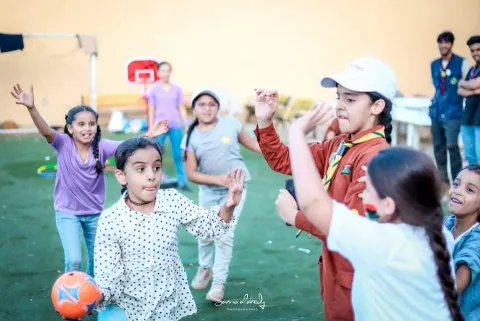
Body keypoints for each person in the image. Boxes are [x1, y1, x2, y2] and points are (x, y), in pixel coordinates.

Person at [280, 108, 461, 320]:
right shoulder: (438, 234)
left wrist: (296, 132)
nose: (362, 198)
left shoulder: (384, 244)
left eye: (367, 190)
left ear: (388, 205)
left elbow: (313, 203)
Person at [254, 57, 394, 320]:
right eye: (339, 97)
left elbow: (350, 227)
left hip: (355, 276)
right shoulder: (340, 144)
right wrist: (265, 122)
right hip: (335, 268)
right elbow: (285, 159)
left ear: (377, 106)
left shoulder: (375, 159)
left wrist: (293, 216)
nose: (340, 106)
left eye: (350, 100)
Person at [10, 84, 167, 278]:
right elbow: (45, 130)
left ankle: (91, 294)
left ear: (96, 126)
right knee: (73, 260)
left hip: (94, 214)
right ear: (70, 128)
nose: (87, 128)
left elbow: (127, 146)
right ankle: (69, 295)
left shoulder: (102, 146)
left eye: (91, 124)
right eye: (81, 124)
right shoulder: (62, 143)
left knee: (98, 258)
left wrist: (149, 134)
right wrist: (31, 108)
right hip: (68, 213)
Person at [94, 137, 245, 321]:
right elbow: (108, 276)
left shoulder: (172, 200)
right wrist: (90, 299)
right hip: (124, 308)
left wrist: (228, 206)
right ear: (121, 176)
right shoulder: (111, 219)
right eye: (140, 169)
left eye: (156, 167)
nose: (152, 175)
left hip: (165, 307)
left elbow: (208, 227)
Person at [181, 89, 261, 303]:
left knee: (224, 234)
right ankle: (205, 268)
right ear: (194, 108)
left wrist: (279, 151)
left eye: (211, 104)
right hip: (209, 190)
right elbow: (191, 174)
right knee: (205, 233)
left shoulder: (231, 124)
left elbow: (254, 144)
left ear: (218, 107)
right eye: (202, 104)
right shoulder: (191, 136)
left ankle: (219, 283)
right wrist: (219, 180)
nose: (207, 108)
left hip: (235, 188)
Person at [430, 31, 471, 187]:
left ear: (451, 44)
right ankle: (443, 182)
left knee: (452, 147)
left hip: (453, 113)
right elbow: (436, 88)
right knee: (438, 148)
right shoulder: (434, 64)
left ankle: (457, 181)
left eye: (446, 42)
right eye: (440, 42)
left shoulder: (462, 63)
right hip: (436, 112)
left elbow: (467, 84)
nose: (443, 45)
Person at [147, 61, 190, 191]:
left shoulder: (177, 89)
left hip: (175, 125)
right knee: (156, 154)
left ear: (170, 72)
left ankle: (183, 182)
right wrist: (151, 127)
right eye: (162, 71)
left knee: (178, 154)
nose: (165, 73)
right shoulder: (154, 90)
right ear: (158, 73)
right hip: (159, 127)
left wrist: (186, 124)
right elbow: (151, 109)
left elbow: (181, 107)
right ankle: (158, 179)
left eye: (167, 71)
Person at [444, 165, 480, 320]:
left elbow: (455, 286)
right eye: (456, 184)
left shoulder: (477, 241)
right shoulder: (446, 224)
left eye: (470, 190)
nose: (458, 191)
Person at [458, 36, 480, 166]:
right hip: (468, 118)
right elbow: (459, 90)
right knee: (471, 159)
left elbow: (471, 85)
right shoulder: (472, 70)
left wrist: (468, 85)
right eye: (472, 50)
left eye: (478, 49)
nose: (475, 53)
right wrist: (474, 89)